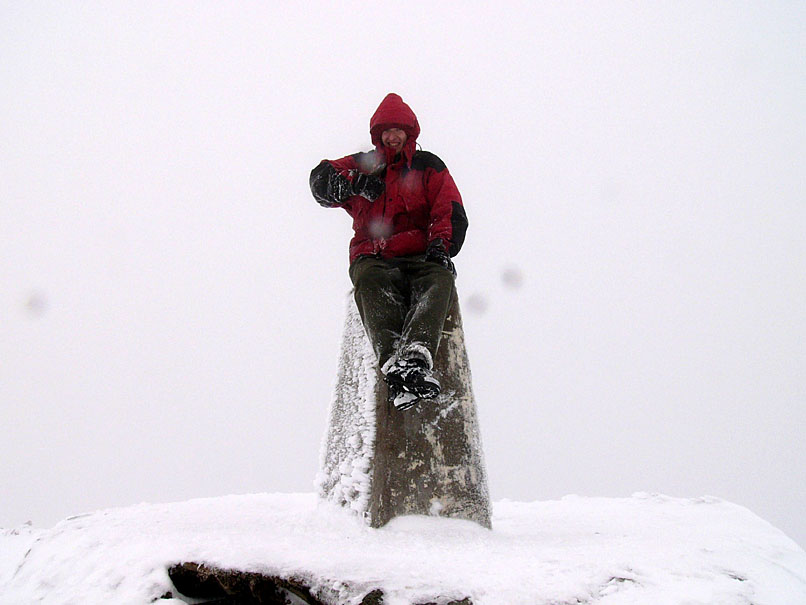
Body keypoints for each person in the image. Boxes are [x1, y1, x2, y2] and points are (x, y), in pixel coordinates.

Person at [310, 93, 468, 410]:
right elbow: (320, 180)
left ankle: (416, 353)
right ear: (377, 135)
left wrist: (440, 246)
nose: (392, 136)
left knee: (439, 280)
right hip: (374, 255)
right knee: (369, 282)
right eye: (386, 131)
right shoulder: (365, 165)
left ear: (410, 133)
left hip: (420, 255)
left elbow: (448, 208)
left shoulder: (428, 166)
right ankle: (393, 364)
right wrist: (354, 183)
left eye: (399, 130)